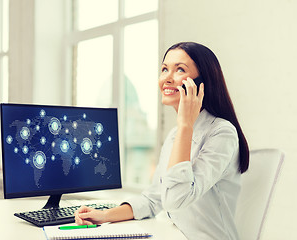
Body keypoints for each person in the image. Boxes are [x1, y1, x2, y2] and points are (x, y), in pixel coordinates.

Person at [74, 42, 249, 240]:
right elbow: (154, 198)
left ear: (202, 83)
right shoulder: (175, 135)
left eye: (180, 69)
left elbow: (176, 199)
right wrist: (104, 215)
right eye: (164, 69)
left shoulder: (222, 133)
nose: (166, 78)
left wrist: (185, 125)